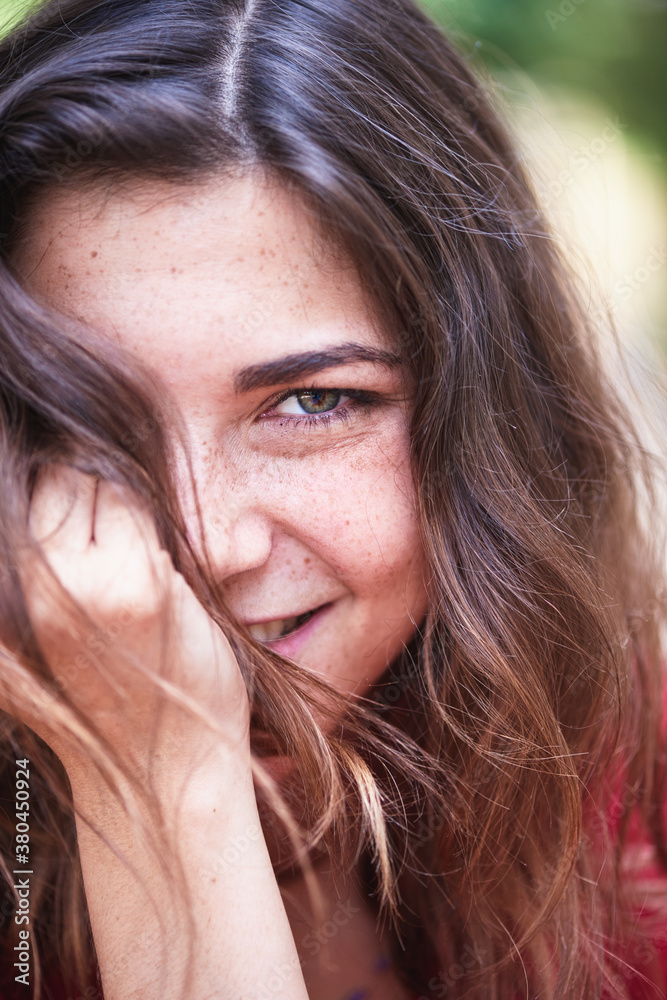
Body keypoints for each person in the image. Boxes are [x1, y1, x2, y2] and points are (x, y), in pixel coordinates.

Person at [0, 0, 665, 997]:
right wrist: (160, 781)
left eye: (313, 401)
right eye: (86, 418)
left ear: (477, 418)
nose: (206, 542)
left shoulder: (622, 755)